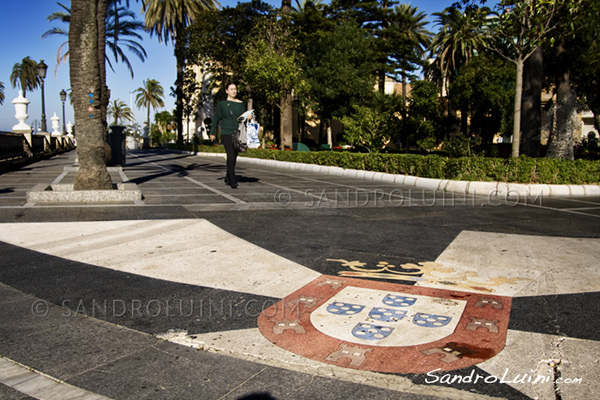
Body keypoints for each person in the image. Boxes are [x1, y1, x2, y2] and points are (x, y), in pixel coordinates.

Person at [210, 82, 245, 188]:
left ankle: (227, 176)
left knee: (234, 156)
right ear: (226, 91)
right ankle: (232, 179)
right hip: (226, 132)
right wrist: (212, 132)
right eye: (231, 89)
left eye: (235, 89)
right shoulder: (222, 104)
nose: (234, 91)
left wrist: (247, 117)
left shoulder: (241, 104)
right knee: (230, 154)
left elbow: (242, 118)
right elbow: (216, 118)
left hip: (237, 133)